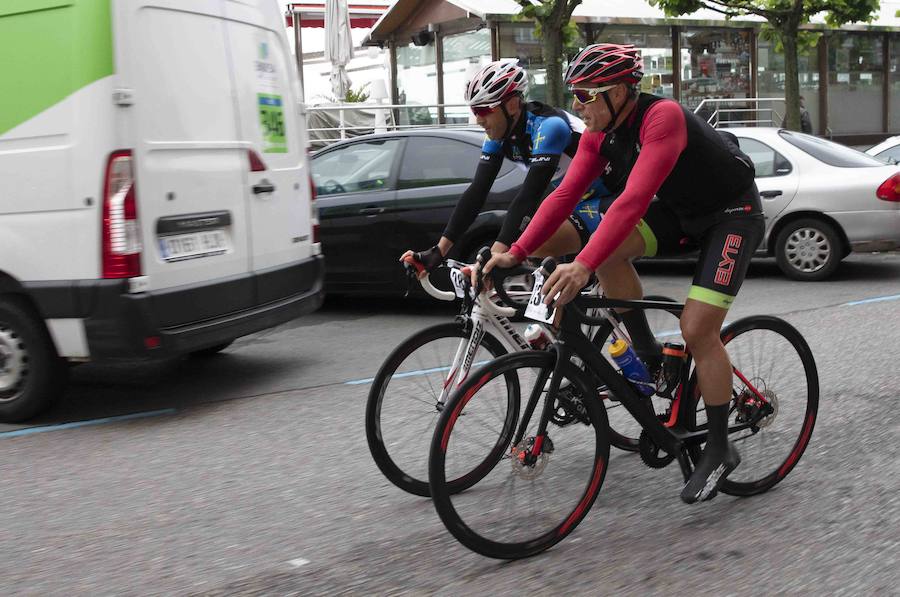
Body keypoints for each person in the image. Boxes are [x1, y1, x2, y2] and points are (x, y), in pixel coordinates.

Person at [481, 43, 765, 504]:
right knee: (610, 252)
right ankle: (649, 353)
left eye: (586, 95)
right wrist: (515, 251)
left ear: (617, 92)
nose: (577, 105)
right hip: (681, 213)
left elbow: (632, 201)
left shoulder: (662, 117)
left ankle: (719, 446)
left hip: (733, 213)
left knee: (697, 328)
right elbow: (564, 195)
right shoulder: (600, 129)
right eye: (574, 94)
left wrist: (582, 264)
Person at [401, 59, 610, 274]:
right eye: (474, 111)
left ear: (511, 105)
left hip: (607, 197)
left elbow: (529, 195)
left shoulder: (549, 126)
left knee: (535, 247)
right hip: (574, 201)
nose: (478, 120)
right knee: (539, 260)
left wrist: (495, 255)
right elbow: (477, 191)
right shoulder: (498, 135)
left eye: (483, 110)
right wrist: (439, 250)